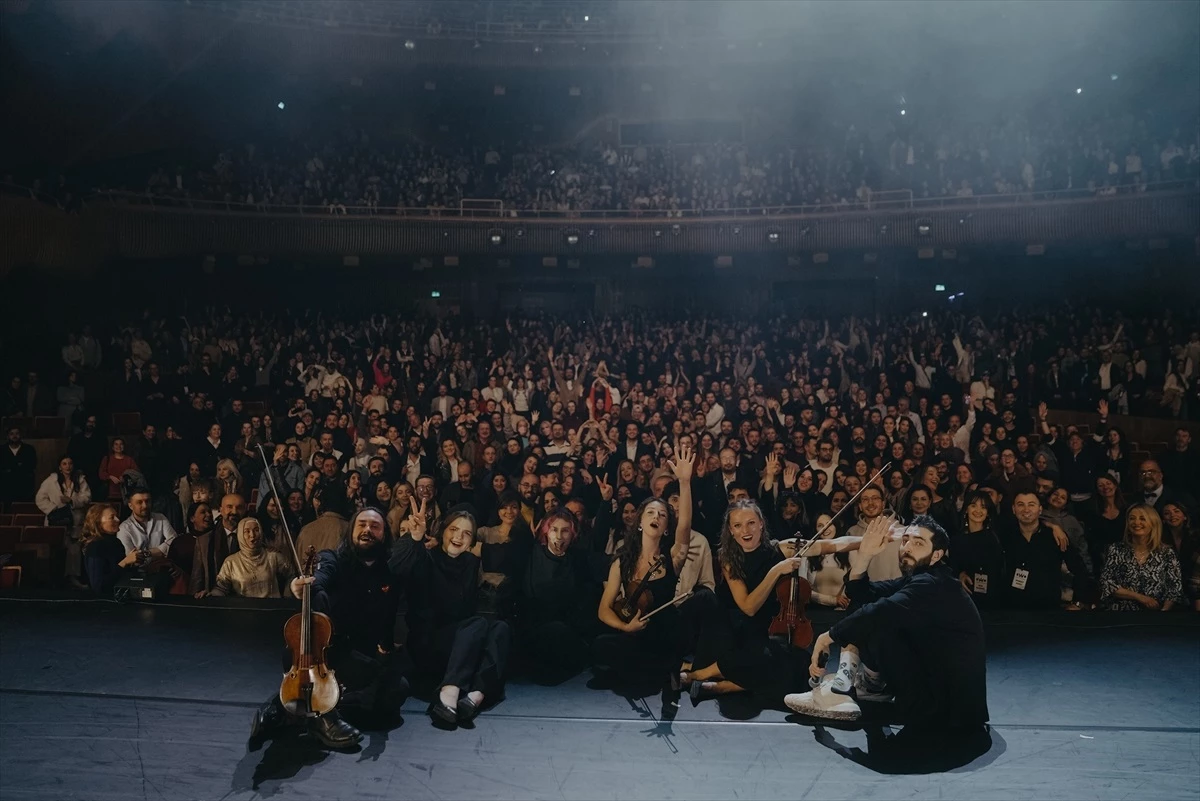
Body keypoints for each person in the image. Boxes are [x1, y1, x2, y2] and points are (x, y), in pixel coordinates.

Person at [785, 515, 989, 737]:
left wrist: (827, 637)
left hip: (944, 713)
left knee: (876, 616)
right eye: (905, 540)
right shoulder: (924, 578)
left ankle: (843, 688)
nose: (907, 547)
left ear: (936, 555)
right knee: (870, 610)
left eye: (918, 543)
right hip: (947, 704)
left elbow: (877, 611)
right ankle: (860, 686)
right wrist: (865, 555)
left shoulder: (934, 585)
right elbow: (861, 595)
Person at [250, 506, 414, 751]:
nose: (367, 530)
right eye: (361, 525)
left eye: (375, 526)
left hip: (361, 659)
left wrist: (387, 650)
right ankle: (324, 717)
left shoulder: (389, 570)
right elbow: (320, 577)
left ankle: (296, 711)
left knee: (397, 692)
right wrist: (303, 585)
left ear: (384, 535)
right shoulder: (333, 558)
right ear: (351, 531)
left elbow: (390, 615)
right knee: (318, 600)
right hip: (326, 653)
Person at [393, 504, 512, 727]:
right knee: (477, 624)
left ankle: (475, 695)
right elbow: (397, 567)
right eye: (453, 530)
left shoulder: (471, 563)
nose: (459, 537)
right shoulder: (426, 558)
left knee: (500, 628)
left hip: (460, 643)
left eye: (466, 533)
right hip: (428, 644)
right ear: (443, 531)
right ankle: (448, 693)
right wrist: (415, 539)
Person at [592, 444, 697, 692]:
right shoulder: (621, 561)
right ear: (640, 522)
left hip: (663, 635)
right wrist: (625, 627)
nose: (656, 517)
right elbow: (603, 609)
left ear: (666, 528)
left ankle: (658, 669)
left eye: (662, 515)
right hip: (633, 634)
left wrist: (684, 482)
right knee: (600, 645)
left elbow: (685, 524)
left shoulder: (674, 556)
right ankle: (659, 672)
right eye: (650, 512)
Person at [517, 509, 603, 684]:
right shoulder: (531, 554)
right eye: (554, 529)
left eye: (565, 531)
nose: (559, 536)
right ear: (546, 532)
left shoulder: (579, 561)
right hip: (533, 630)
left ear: (572, 535)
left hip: (565, 633)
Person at [1099, 505, 1185, 612]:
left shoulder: (1167, 553)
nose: (1136, 522)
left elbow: (1174, 590)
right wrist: (1140, 598)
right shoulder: (1116, 549)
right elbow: (1106, 583)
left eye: (1142, 519)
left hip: (1155, 616)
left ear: (1153, 523)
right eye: (1132, 518)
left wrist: (1164, 612)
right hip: (1120, 615)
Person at [35, 455, 92, 589]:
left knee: (74, 550)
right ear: (60, 467)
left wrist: (72, 501)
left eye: (70, 463)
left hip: (75, 520)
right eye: (64, 464)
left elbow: (87, 497)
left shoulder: (80, 479)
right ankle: (56, 580)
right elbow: (39, 499)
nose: (68, 466)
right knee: (57, 550)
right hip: (57, 520)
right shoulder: (51, 480)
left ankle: (73, 578)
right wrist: (54, 509)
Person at [206, 518, 295, 598]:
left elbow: (292, 575)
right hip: (244, 610)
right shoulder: (231, 562)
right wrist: (209, 595)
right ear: (240, 534)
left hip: (270, 609)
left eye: (256, 530)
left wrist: (287, 596)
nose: (252, 535)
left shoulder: (273, 556)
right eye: (247, 531)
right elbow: (221, 588)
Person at [80, 503, 127, 594]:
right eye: (112, 517)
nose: (118, 520)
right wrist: (125, 562)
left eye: (117, 516)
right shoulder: (95, 546)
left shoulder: (116, 542)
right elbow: (98, 586)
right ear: (98, 522)